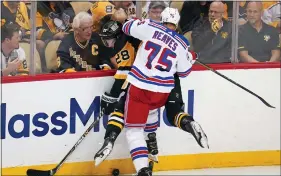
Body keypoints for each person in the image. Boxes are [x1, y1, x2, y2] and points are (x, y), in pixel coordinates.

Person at [94, 7, 209, 176]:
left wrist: (130, 20)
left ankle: (143, 169)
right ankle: (186, 125)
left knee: (134, 131)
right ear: (176, 24)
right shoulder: (182, 43)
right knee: (151, 111)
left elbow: (126, 28)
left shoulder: (150, 26)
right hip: (162, 91)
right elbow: (184, 72)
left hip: (140, 86)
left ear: (161, 19)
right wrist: (190, 58)